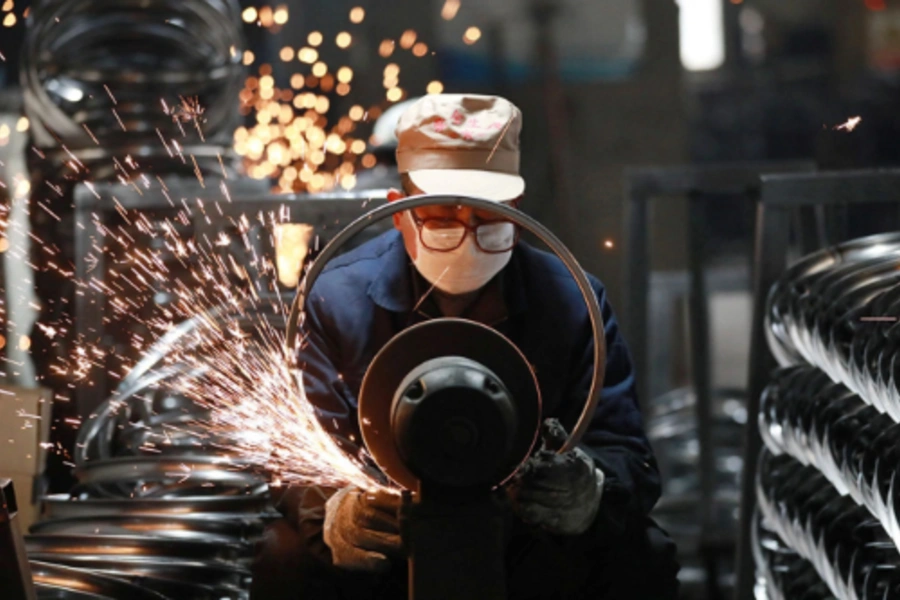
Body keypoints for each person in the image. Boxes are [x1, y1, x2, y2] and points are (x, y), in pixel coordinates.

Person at [251, 94, 679, 599]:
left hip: (526, 540)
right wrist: (332, 511)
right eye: (442, 220)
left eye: (488, 220)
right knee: (278, 555)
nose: (468, 236)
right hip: (394, 542)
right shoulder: (336, 300)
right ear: (399, 212)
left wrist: (591, 489)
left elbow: (627, 452)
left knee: (643, 554)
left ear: (517, 210)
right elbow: (295, 458)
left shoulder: (572, 301)